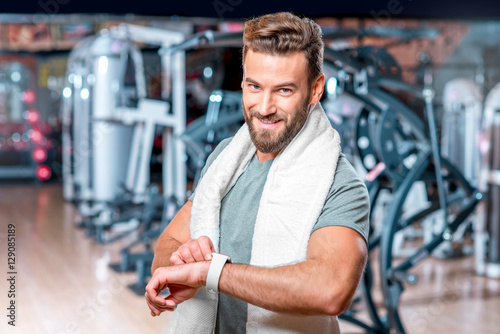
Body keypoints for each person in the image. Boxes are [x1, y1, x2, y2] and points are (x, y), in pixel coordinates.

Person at [145, 11, 370, 334]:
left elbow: (330, 290)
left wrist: (211, 274)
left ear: (316, 89)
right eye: (254, 86)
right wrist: (178, 264)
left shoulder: (341, 185)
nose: (264, 107)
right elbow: (169, 242)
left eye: (284, 91)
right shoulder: (225, 158)